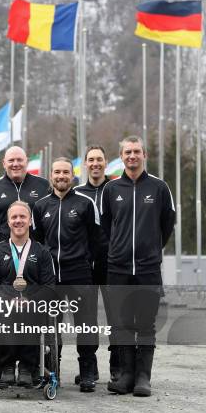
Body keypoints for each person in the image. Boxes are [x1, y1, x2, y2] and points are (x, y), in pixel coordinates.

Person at [101, 136, 175, 397]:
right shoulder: (111, 190)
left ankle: (143, 377)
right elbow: (106, 226)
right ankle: (127, 375)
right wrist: (119, 250)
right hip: (118, 268)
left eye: (136, 152)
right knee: (121, 324)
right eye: (127, 152)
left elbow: (167, 224)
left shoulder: (159, 187)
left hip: (147, 269)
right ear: (121, 157)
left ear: (145, 155)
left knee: (145, 324)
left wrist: (151, 249)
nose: (132, 156)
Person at [32, 157, 101, 391]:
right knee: (51, 327)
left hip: (79, 274)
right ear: (51, 175)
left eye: (65, 172)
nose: (61, 176)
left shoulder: (85, 203)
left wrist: (85, 262)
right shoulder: (40, 206)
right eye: (57, 172)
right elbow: (37, 242)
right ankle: (54, 371)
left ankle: (88, 372)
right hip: (51, 277)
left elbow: (96, 239)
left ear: (73, 175)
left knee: (86, 325)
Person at [0, 201, 56, 386]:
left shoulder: (42, 252)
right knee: (6, 311)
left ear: (30, 221)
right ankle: (6, 365)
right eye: (14, 217)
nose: (18, 221)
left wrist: (31, 301)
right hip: (4, 305)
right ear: (8, 222)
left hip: (34, 305)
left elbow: (49, 286)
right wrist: (7, 300)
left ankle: (27, 365)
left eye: (22, 217)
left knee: (31, 312)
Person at [75, 145, 119, 383]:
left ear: (106, 162)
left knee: (115, 317)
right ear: (85, 163)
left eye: (99, 159)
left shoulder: (115, 189)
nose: (95, 164)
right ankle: (88, 369)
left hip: (111, 264)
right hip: (84, 266)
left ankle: (117, 367)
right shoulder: (77, 194)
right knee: (87, 319)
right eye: (91, 159)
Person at [0, 146, 50, 238]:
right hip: (2, 250)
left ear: (27, 161)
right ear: (4, 163)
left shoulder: (44, 185)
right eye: (11, 160)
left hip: (37, 249)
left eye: (20, 160)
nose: (15, 164)